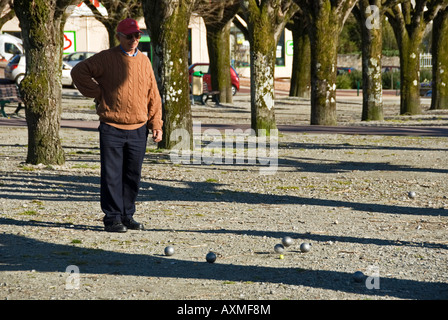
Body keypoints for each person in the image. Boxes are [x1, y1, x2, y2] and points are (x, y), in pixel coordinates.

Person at [71, 18, 163, 233]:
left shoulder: (144, 61)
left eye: (137, 36)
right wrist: (98, 93)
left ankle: (127, 215)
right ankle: (112, 218)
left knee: (132, 175)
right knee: (112, 175)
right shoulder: (106, 58)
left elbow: (153, 94)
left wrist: (156, 123)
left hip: (138, 128)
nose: (134, 40)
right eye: (129, 36)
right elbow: (78, 72)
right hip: (112, 126)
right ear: (118, 36)